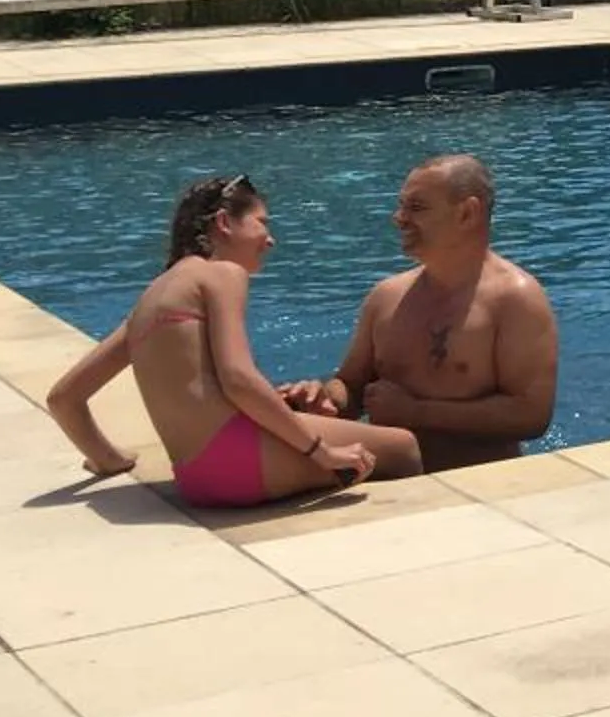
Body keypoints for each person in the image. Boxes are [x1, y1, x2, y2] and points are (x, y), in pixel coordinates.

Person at [46, 173, 424, 506]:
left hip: (195, 479)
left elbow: (65, 398)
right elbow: (238, 378)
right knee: (402, 448)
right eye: (262, 223)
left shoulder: (152, 298)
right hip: (241, 467)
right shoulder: (222, 274)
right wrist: (321, 452)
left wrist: (108, 459)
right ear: (225, 223)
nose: (270, 240)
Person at [279, 154, 558, 472]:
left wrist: (417, 412)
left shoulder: (515, 299)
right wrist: (322, 399)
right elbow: (352, 386)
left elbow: (531, 415)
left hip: (477, 486)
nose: (399, 218)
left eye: (417, 207)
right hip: (391, 482)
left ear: (467, 213)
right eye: (401, 205)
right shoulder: (386, 296)